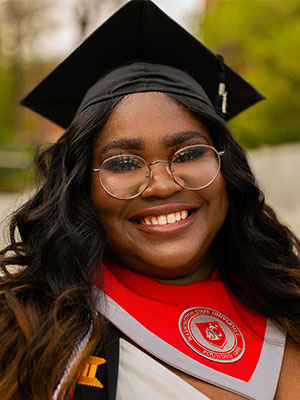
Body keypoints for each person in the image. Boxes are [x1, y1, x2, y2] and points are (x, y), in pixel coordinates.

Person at [1, 1, 300, 399]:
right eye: (123, 162)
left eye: (190, 153)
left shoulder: (287, 300)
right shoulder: (27, 337)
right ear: (80, 188)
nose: (161, 184)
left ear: (227, 169)